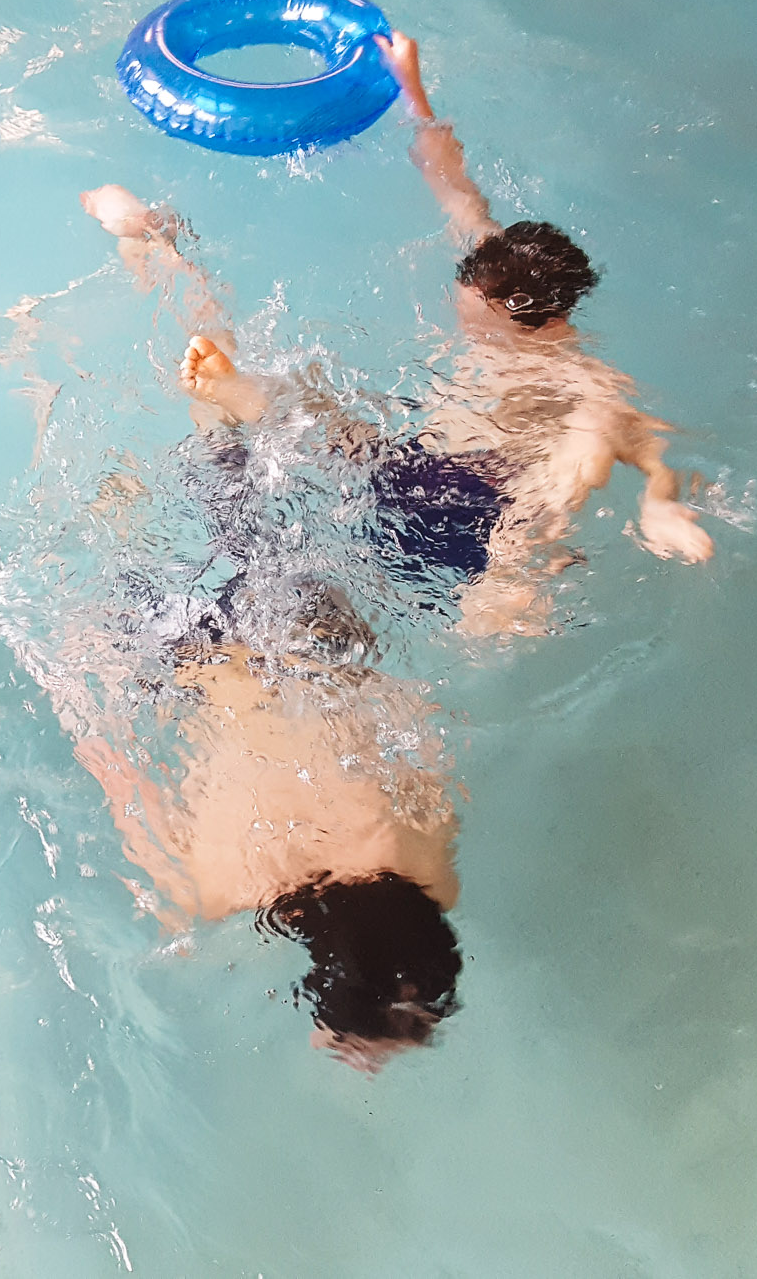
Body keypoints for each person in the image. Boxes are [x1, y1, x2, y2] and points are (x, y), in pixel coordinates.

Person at [84, 28, 715, 636]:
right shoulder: (501, 269)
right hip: (408, 465)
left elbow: (613, 460)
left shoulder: (579, 387)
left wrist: (651, 509)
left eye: (470, 313)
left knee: (318, 431)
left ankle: (195, 305)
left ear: (517, 314)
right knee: (298, 430)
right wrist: (411, 88)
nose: (455, 307)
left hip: (464, 514)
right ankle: (173, 270)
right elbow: (449, 178)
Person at [58, 198, 467, 1071]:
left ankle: (169, 259)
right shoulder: (216, 888)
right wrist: (86, 651)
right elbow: (108, 754)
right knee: (139, 534)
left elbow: (418, 717)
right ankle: (43, 365)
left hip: (319, 624)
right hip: (202, 652)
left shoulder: (431, 870)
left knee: (240, 484)